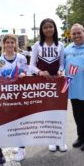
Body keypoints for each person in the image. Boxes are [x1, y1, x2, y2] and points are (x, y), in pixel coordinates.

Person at [30, 18, 68, 152]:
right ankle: (52, 139)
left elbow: (62, 63)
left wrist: (61, 71)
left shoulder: (61, 45)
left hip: (57, 81)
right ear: (42, 30)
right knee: (47, 111)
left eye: (50, 27)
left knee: (59, 110)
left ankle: (61, 139)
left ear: (54, 28)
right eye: (45, 27)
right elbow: (31, 66)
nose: (48, 29)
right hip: (43, 83)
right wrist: (40, 72)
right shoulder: (37, 45)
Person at [0, 34, 27, 162]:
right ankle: (16, 142)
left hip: (20, 93)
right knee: (10, 120)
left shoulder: (21, 58)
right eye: (7, 42)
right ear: (4, 44)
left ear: (15, 44)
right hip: (7, 94)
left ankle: (22, 148)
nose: (9, 44)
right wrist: (4, 80)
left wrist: (24, 74)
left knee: (20, 120)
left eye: (12, 42)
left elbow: (27, 72)